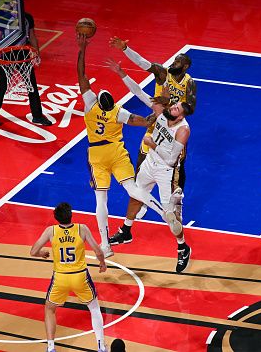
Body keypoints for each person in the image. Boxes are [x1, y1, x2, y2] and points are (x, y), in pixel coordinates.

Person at [77, 33, 178, 259]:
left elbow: (81, 75)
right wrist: (155, 116)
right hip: (118, 151)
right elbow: (142, 121)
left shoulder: (90, 106)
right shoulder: (118, 112)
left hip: (96, 153)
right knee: (134, 188)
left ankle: (105, 245)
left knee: (101, 199)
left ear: (97, 99)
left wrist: (82, 49)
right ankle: (163, 212)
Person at [106, 58, 193, 273]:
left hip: (166, 171)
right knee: (136, 194)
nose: (172, 106)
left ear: (180, 114)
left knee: (169, 215)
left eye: (176, 107)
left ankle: (182, 247)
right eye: (173, 104)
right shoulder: (163, 114)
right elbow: (140, 94)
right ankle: (126, 230)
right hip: (149, 164)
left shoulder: (182, 130)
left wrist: (153, 143)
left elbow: (172, 159)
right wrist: (121, 73)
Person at [109, 36, 196, 221]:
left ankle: (176, 206)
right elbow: (143, 68)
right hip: (156, 122)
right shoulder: (163, 74)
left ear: (185, 66)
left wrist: (171, 107)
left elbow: (191, 108)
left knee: (176, 169)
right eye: (174, 60)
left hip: (173, 128)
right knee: (141, 168)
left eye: (178, 61)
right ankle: (141, 203)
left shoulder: (188, 83)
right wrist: (125, 50)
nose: (174, 63)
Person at [30, 202, 108, 352]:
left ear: (56, 218)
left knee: (50, 309)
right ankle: (101, 346)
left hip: (60, 278)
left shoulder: (51, 231)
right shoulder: (82, 229)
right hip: (80, 276)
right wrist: (102, 263)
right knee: (94, 308)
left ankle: (51, 347)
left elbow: (33, 251)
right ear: (71, 215)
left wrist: (42, 254)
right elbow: (98, 251)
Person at [0, 5, 52, 127]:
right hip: (7, 53)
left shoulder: (27, 17)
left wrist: (37, 53)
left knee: (31, 84)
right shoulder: (3, 16)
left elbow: (32, 36)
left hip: (23, 52)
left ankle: (37, 115)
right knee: (2, 85)